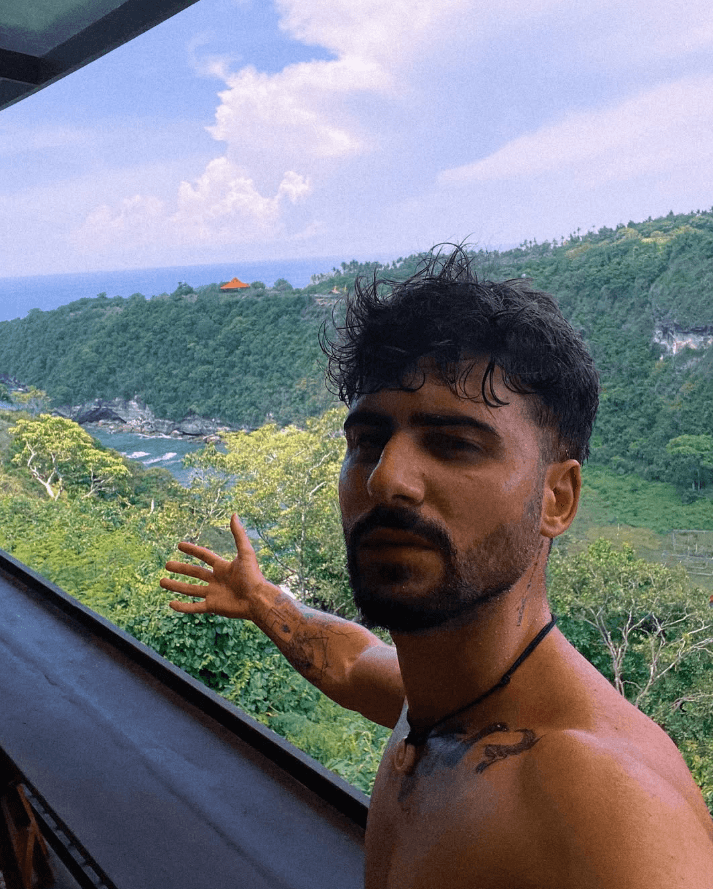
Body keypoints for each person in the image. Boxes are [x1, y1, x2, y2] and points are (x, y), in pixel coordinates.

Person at [161, 249, 713, 887]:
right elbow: (349, 660)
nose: (386, 478)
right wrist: (263, 600)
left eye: (456, 445)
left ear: (557, 500)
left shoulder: (606, 807)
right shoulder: (438, 703)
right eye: (368, 440)